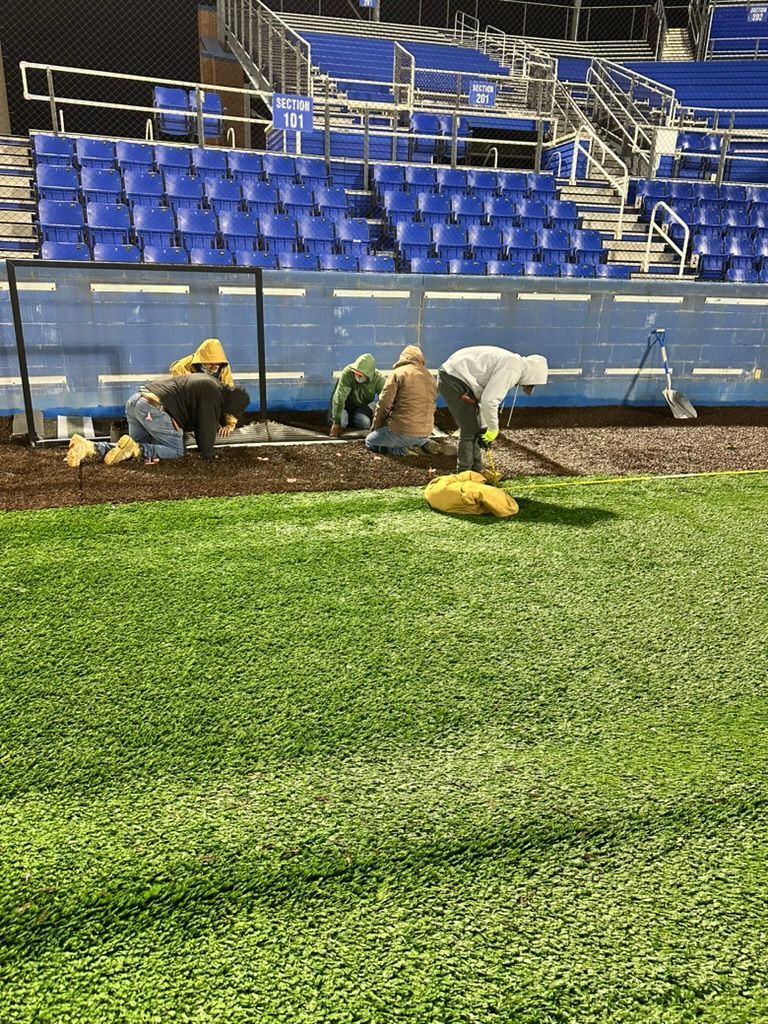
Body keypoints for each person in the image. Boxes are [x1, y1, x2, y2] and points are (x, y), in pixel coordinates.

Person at [65, 375, 250, 468]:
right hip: (155, 408)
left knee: (126, 448)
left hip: (136, 401)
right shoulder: (213, 394)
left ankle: (90, 447)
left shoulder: (210, 383)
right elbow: (206, 427)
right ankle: (138, 450)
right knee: (176, 451)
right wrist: (208, 455)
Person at [437, 346, 549, 473]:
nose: (521, 385)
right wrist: (493, 429)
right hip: (454, 379)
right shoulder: (512, 368)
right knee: (469, 430)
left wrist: (484, 428)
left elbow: (485, 400)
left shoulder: (513, 363)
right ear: (532, 376)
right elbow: (489, 401)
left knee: (474, 429)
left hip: (454, 377)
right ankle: (464, 475)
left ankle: (476, 471)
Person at [365, 345, 437, 457]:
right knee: (414, 435)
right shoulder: (430, 377)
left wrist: (376, 425)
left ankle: (402, 451)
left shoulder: (398, 373)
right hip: (426, 431)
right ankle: (423, 443)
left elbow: (384, 404)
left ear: (403, 358)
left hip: (403, 431)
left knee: (370, 441)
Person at [169, 337, 238, 436]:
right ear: (201, 362)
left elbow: (229, 394)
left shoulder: (223, 368)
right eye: (211, 363)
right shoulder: (181, 368)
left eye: (218, 363)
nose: (215, 366)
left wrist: (230, 424)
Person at [329, 353, 387, 438]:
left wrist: (379, 422)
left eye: (360, 375)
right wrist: (336, 423)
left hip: (361, 406)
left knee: (365, 423)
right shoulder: (347, 373)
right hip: (344, 405)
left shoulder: (379, 379)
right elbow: (339, 397)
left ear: (368, 375)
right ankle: (334, 417)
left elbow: (385, 400)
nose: (357, 376)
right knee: (342, 422)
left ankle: (352, 419)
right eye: (355, 373)